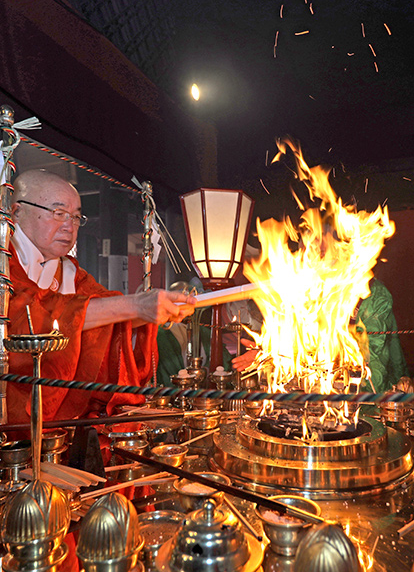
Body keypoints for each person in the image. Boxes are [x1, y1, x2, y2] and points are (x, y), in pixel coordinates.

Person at [6, 169, 195, 424]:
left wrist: (154, 310)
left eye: (75, 216)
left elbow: (104, 314)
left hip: (62, 422)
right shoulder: (4, 263)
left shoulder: (71, 273)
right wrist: (137, 305)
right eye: (58, 213)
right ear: (16, 211)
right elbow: (23, 317)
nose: (69, 226)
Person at [232, 278, 408, 394]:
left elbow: (372, 375)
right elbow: (303, 344)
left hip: (370, 401)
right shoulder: (310, 288)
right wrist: (271, 355)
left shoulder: (371, 294)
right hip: (321, 400)